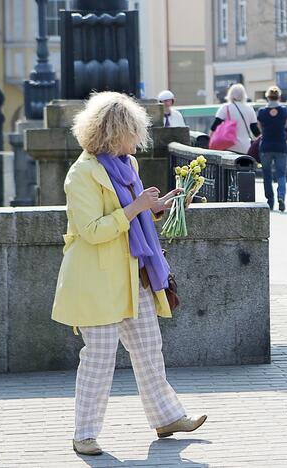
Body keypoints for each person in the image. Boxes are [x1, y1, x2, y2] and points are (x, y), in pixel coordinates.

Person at [52, 92, 206, 456]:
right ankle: (84, 434)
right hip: (96, 279)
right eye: (133, 133)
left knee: (149, 348)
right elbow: (91, 230)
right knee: (100, 356)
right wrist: (138, 206)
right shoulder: (82, 174)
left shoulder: (127, 166)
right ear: (113, 133)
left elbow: (133, 219)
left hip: (132, 274)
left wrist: (158, 208)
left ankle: (167, 416)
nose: (139, 141)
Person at [257, 85, 287, 211]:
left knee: (267, 175)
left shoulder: (262, 112)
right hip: (281, 146)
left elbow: (261, 128)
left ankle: (270, 201)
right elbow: (285, 125)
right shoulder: (284, 111)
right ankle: (281, 196)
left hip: (266, 146)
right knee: (281, 174)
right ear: (279, 97)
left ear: (267, 97)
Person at [209, 83, 260, 154]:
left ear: (230, 94)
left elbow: (215, 126)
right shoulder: (250, 109)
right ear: (244, 95)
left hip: (228, 146)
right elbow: (255, 130)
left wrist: (210, 141)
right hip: (245, 148)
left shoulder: (225, 107)